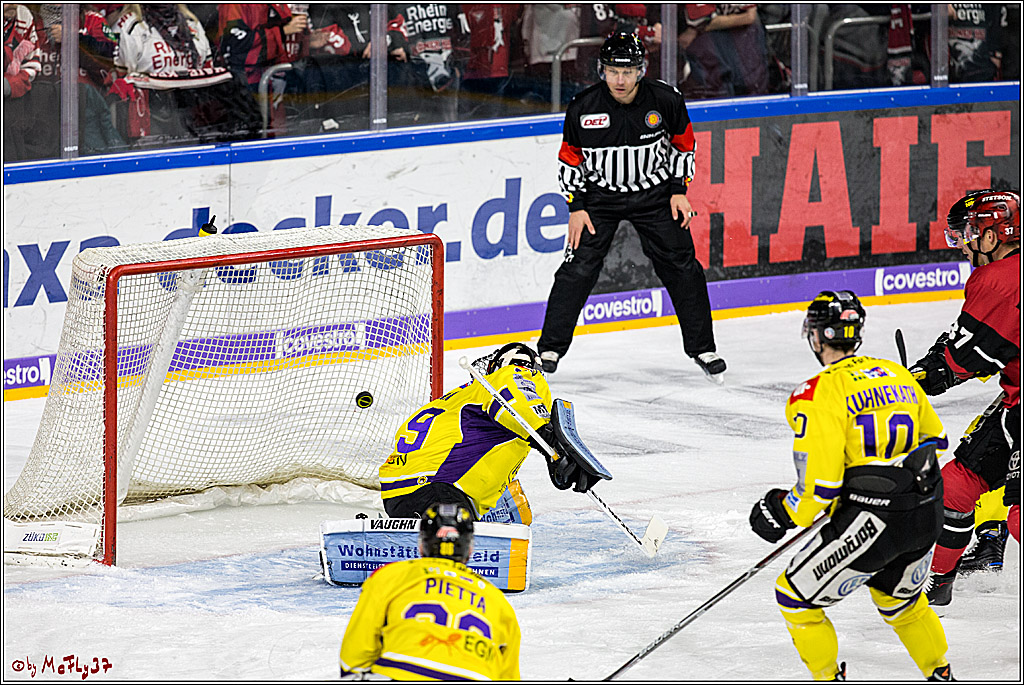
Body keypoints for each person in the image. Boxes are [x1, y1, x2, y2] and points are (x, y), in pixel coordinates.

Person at [749, 290, 953, 681]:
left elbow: (820, 487)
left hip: (876, 520)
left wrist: (782, 511)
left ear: (816, 337)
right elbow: (935, 442)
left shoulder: (815, 394)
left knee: (795, 599)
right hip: (927, 512)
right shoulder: (897, 374)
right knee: (903, 605)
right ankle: (941, 674)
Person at [537, 31, 725, 382]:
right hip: (598, 199)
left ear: (641, 70)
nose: (619, 80)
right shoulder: (583, 107)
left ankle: (702, 348)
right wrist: (576, 206)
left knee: (683, 266)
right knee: (575, 271)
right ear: (601, 70)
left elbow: (684, 145)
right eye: (612, 71)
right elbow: (569, 160)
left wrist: (677, 190)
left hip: (654, 195)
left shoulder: (666, 100)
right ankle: (550, 349)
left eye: (627, 71)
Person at [910, 190, 1020, 607]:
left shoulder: (998, 278)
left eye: (970, 231)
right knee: (955, 484)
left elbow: (961, 362)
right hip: (1016, 403)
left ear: (994, 235)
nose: (964, 241)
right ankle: (937, 586)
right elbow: (985, 348)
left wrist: (914, 379)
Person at [379, 342, 600, 522]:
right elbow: (514, 399)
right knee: (455, 564)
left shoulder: (462, 397)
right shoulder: (510, 375)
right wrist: (549, 438)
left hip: (401, 496)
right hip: (437, 491)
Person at [338, 503, 521, 680]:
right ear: (470, 549)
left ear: (421, 545)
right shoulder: (498, 602)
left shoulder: (391, 576)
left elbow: (354, 655)